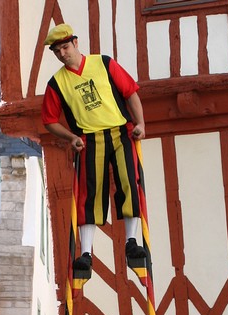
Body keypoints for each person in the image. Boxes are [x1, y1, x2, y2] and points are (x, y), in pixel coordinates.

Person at [41, 24, 148, 274]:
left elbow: (131, 92)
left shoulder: (104, 63)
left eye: (65, 47)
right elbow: (49, 120)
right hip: (88, 140)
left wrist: (140, 123)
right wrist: (70, 138)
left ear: (76, 43)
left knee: (129, 183)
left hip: (122, 132)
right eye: (57, 51)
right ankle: (86, 254)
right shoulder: (57, 83)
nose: (62, 54)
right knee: (89, 194)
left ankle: (132, 243)